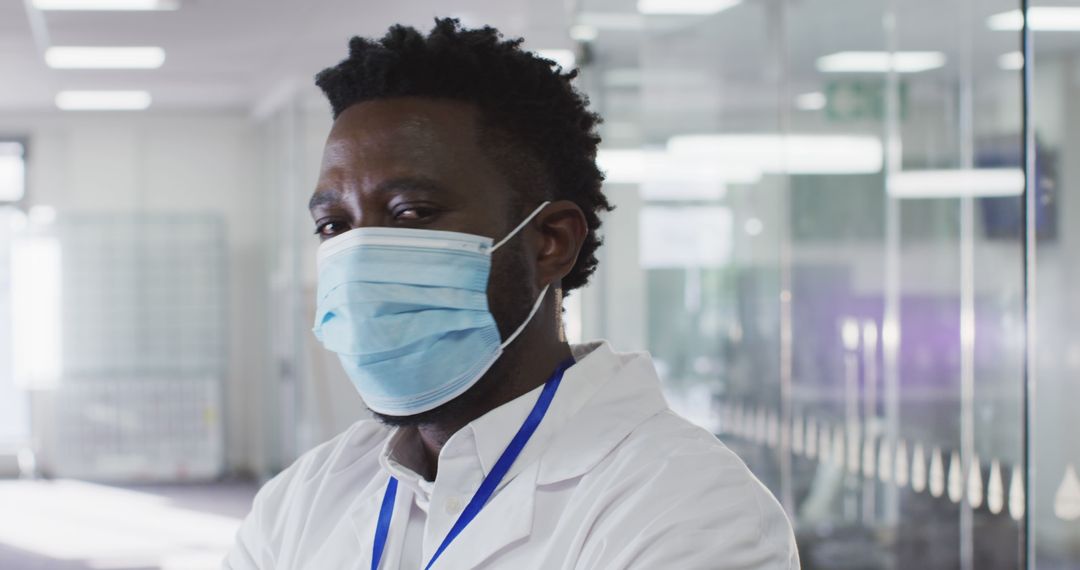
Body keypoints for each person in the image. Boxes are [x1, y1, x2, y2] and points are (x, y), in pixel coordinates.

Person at [224, 18, 798, 569]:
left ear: (551, 241)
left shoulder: (689, 510)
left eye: (413, 213)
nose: (362, 254)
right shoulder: (302, 499)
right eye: (334, 226)